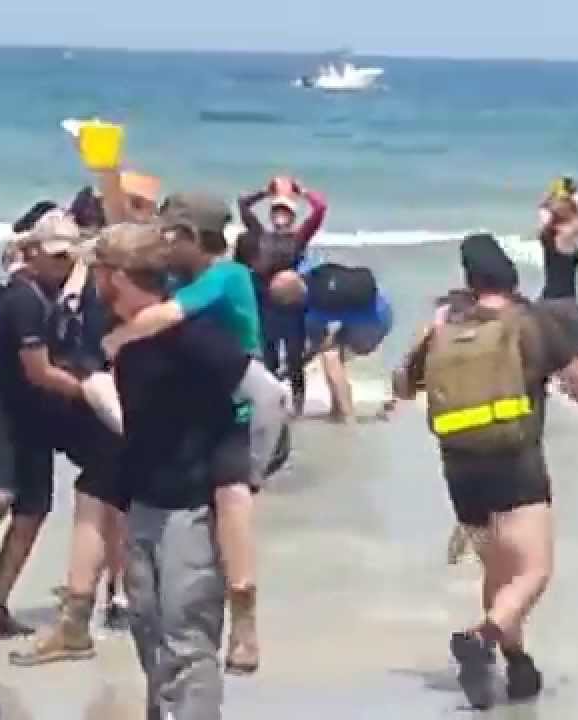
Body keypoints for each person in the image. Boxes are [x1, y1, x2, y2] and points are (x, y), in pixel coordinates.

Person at [392, 233, 578, 710]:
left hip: (459, 468)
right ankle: (482, 638)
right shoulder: (529, 321)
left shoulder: (446, 324)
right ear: (510, 275)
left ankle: (516, 662)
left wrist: (429, 333)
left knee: (501, 571)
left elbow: (403, 386)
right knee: (534, 571)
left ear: (469, 278)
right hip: (514, 461)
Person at [102, 193, 290, 675]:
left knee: (231, 496)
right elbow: (128, 248)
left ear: (190, 237)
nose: (163, 245)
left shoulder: (227, 275)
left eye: (170, 236)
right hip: (202, 403)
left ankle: (244, 620)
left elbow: (165, 317)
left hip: (246, 402)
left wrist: (115, 341)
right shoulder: (178, 275)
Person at [103, 223, 249, 720]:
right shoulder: (126, 336)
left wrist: (236, 477)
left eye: (101, 274)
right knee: (146, 625)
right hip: (143, 500)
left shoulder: (193, 337)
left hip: (192, 505)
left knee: (187, 635)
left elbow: (262, 397)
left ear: (118, 277)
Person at [0, 211, 114, 638]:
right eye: (54, 256)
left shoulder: (61, 292)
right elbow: (39, 371)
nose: (62, 264)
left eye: (68, 258)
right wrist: (97, 393)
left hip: (35, 415)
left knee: (32, 512)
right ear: (32, 252)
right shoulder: (22, 299)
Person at [239, 177, 328, 411]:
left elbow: (320, 209)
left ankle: (297, 406)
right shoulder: (260, 235)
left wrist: (302, 191)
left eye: (285, 211)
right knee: (268, 359)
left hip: (290, 308)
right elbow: (242, 205)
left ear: (292, 217)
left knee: (295, 360)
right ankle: (271, 404)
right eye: (276, 210)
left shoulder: (298, 239)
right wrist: (265, 192)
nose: (280, 215)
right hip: (264, 306)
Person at [301, 262, 394, 422]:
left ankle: (347, 415)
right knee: (333, 351)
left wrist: (301, 360)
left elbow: (317, 345)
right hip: (383, 310)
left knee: (330, 356)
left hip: (371, 322)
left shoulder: (312, 310)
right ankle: (337, 410)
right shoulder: (312, 271)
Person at [536, 176, 578, 300]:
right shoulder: (566, 235)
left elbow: (542, 207)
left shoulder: (546, 233)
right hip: (564, 303)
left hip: (545, 299)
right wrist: (573, 192)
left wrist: (552, 192)